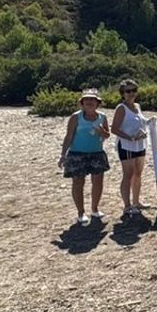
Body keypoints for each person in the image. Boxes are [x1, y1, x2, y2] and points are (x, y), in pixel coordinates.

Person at [57, 88, 111, 224]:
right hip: (77, 154)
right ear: (82, 102)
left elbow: (107, 135)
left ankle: (95, 209)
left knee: (98, 182)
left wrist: (102, 132)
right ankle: (81, 212)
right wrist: (63, 154)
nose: (89, 102)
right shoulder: (76, 117)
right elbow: (68, 136)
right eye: (86, 99)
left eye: (92, 100)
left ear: (97, 103)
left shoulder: (102, 117)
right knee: (78, 183)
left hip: (97, 154)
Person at [111, 79, 149, 216]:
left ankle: (137, 201)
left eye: (134, 90)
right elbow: (114, 129)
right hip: (127, 145)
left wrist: (145, 130)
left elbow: (142, 122)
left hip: (140, 144)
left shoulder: (137, 106)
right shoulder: (121, 108)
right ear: (122, 93)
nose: (131, 93)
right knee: (128, 175)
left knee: (138, 173)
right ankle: (127, 206)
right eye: (128, 91)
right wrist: (129, 137)